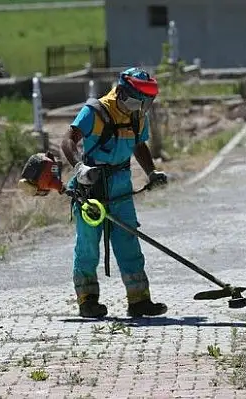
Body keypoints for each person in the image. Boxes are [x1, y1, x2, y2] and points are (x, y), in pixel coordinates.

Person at [60, 67, 168, 319]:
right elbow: (67, 139)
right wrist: (79, 167)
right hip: (91, 187)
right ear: (122, 92)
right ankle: (87, 300)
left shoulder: (137, 115)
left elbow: (138, 145)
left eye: (146, 101)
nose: (142, 105)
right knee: (88, 246)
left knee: (128, 241)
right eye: (138, 99)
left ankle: (139, 301)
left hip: (121, 188)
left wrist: (152, 173)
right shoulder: (95, 112)